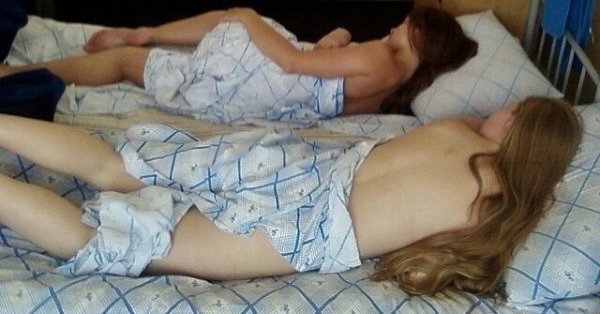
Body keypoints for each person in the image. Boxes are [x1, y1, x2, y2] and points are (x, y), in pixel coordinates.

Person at [0, 96, 582, 297]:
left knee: (115, 162)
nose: (499, 110)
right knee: (110, 240)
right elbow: (442, 265)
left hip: (292, 163)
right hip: (304, 224)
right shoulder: (490, 209)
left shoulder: (455, 129)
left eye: (512, 111)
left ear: (519, 130)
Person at [0, 6, 477, 123]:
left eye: (407, 24)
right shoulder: (393, 89)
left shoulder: (381, 56)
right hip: (267, 102)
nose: (397, 24)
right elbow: (324, 75)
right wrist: (339, 37)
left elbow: (293, 61)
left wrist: (249, 17)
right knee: (237, 30)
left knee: (238, 18)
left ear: (421, 38)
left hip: (260, 82)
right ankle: (145, 40)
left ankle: (142, 35)